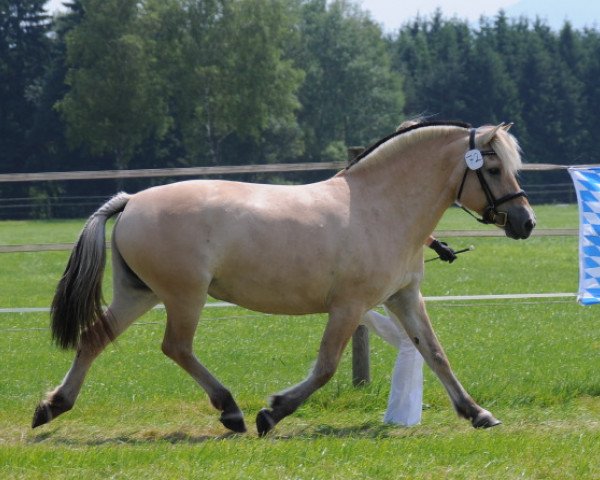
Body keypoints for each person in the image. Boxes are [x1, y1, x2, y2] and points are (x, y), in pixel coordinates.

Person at [361, 237, 457, 426]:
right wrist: (436, 245)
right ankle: (401, 418)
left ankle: (359, 314)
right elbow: (415, 226)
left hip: (390, 270)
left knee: (408, 340)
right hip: (398, 277)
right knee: (414, 344)